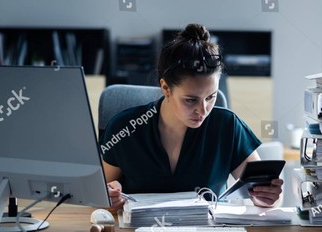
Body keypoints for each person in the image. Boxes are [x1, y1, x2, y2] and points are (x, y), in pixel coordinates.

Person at [102, 23, 283, 210]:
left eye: (211, 97)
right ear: (166, 88)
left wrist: (267, 198)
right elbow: (101, 198)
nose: (203, 110)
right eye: (190, 100)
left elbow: (266, 194)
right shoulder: (124, 128)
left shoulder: (227, 126)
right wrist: (110, 199)